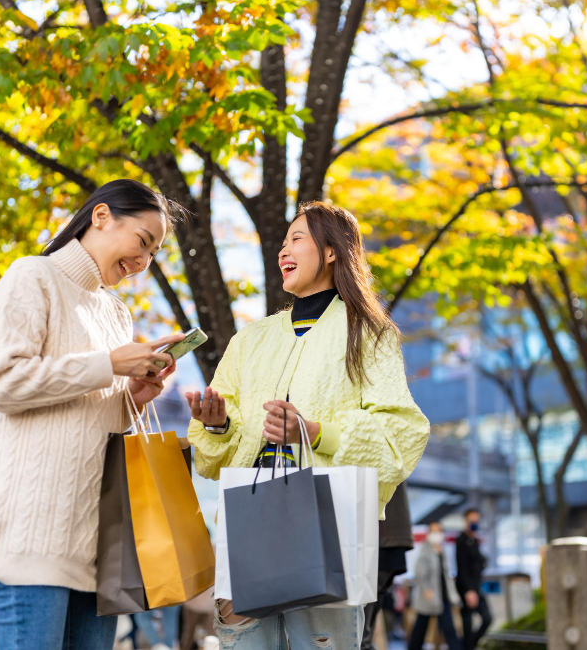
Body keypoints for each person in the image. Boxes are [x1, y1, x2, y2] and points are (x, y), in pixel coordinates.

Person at [186, 201, 431, 649]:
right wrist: (218, 425)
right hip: (250, 517)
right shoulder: (250, 340)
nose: (284, 250)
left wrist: (316, 432)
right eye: (282, 242)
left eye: (296, 239)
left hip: (328, 521)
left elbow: (402, 432)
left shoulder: (368, 333)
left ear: (332, 250)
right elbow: (213, 455)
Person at [0, 179, 184, 650]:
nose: (143, 263)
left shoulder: (116, 314)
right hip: (33, 543)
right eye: (143, 243)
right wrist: (107, 365)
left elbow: (94, 423)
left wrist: (132, 395)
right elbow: (2, 383)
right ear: (102, 216)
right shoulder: (33, 277)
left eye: (153, 254)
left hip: (100, 553)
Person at [362, 482, 415, 649]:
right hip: (392, 535)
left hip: (380, 536)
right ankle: (365, 643)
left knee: (368, 597)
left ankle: (364, 644)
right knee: (374, 595)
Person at [409, 523, 462, 650]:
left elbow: (446, 575)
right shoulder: (425, 551)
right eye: (433, 531)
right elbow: (420, 573)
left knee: (449, 630)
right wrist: (427, 589)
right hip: (430, 596)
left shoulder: (442, 551)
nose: (436, 534)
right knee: (420, 629)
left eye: (438, 531)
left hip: (443, 596)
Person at [455, 508, 491, 650]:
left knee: (487, 618)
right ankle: (467, 646)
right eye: (472, 520)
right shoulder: (462, 541)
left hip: (477, 587)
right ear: (466, 521)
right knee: (468, 623)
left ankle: (467, 646)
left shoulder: (475, 541)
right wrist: (469, 590)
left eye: (477, 520)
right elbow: (462, 568)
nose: (474, 523)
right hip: (466, 588)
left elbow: (481, 562)